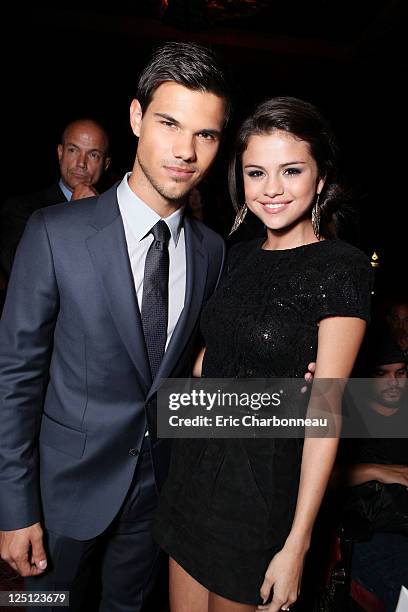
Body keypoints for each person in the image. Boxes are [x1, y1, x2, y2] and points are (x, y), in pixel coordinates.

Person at [0, 42, 230, 612]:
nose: (186, 151)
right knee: (42, 608)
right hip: (60, 497)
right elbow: (15, 379)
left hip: (156, 496)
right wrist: (14, 508)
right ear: (136, 118)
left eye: (206, 134)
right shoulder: (53, 232)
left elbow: (185, 369)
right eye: (170, 123)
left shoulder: (211, 250)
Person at [154, 96, 373, 612]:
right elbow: (210, 364)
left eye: (291, 170)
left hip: (260, 496)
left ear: (320, 178)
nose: (271, 189)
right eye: (256, 172)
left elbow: (328, 412)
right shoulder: (236, 256)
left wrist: (297, 544)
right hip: (193, 478)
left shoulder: (343, 267)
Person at [337, 330, 408, 612]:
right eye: (382, 374)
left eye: (401, 373)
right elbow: (324, 478)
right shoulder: (349, 417)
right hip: (369, 530)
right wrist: (381, 471)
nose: (393, 383)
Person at [0, 118, 111, 277]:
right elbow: (21, 270)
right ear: (60, 153)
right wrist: (74, 216)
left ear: (105, 164)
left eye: (93, 154)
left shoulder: (113, 215)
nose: (81, 163)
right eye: (73, 150)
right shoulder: (23, 209)